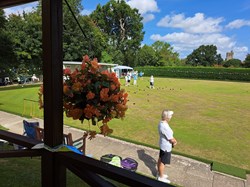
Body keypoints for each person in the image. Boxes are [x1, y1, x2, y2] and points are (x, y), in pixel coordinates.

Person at [157, 109, 177, 184]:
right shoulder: (164, 126)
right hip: (166, 147)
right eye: (170, 115)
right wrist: (175, 142)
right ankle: (161, 177)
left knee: (160, 159)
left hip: (163, 145)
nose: (171, 117)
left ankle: (160, 173)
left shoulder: (161, 122)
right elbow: (170, 138)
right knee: (163, 162)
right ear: (167, 117)